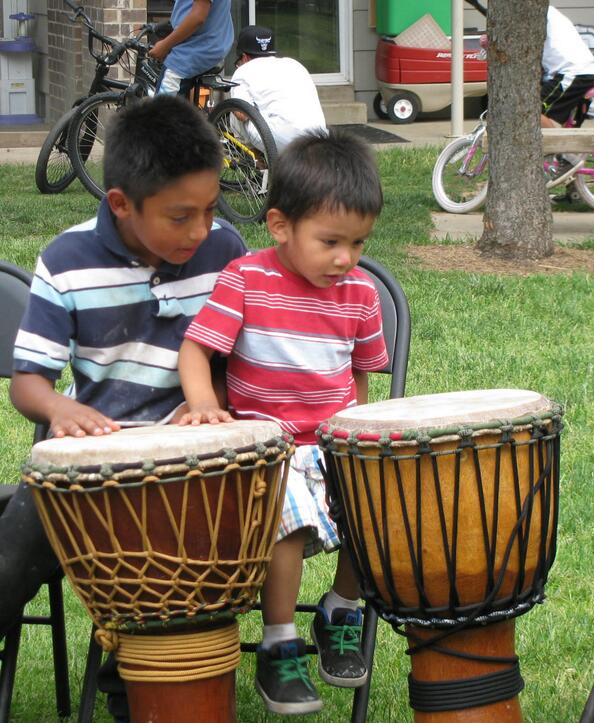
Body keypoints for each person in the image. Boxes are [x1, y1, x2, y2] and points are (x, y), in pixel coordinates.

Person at [5, 94, 247, 721]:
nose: (200, 231)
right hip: (97, 465)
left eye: (209, 209)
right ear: (121, 204)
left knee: (176, 529)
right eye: (179, 217)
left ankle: (138, 684)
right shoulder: (67, 261)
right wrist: (59, 408)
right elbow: (27, 382)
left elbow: (238, 361)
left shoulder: (226, 251)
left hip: (198, 460)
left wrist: (212, 407)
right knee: (22, 535)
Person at [178, 128, 387, 715]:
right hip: (264, 446)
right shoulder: (246, 280)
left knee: (377, 505)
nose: (345, 258)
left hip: (331, 441)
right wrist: (202, 406)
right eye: (330, 242)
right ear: (280, 226)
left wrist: (353, 433)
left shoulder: (361, 294)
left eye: (359, 243)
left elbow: (360, 378)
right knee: (288, 516)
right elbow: (196, 350)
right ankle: (278, 644)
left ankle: (339, 610)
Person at [229, 25, 327, 152]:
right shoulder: (294, 64)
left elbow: (242, 115)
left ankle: (256, 161)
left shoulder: (243, 71)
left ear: (244, 57)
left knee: (237, 107)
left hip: (282, 140)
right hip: (319, 137)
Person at [540, 6, 594, 183]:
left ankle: (567, 153)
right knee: (567, 128)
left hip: (571, 73)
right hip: (582, 73)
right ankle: (573, 191)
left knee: (528, 111)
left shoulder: (534, 13)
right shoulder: (547, 10)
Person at [149, 0, 233, 96]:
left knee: (161, 107)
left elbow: (197, 17)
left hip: (196, 48)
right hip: (210, 43)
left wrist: (165, 46)